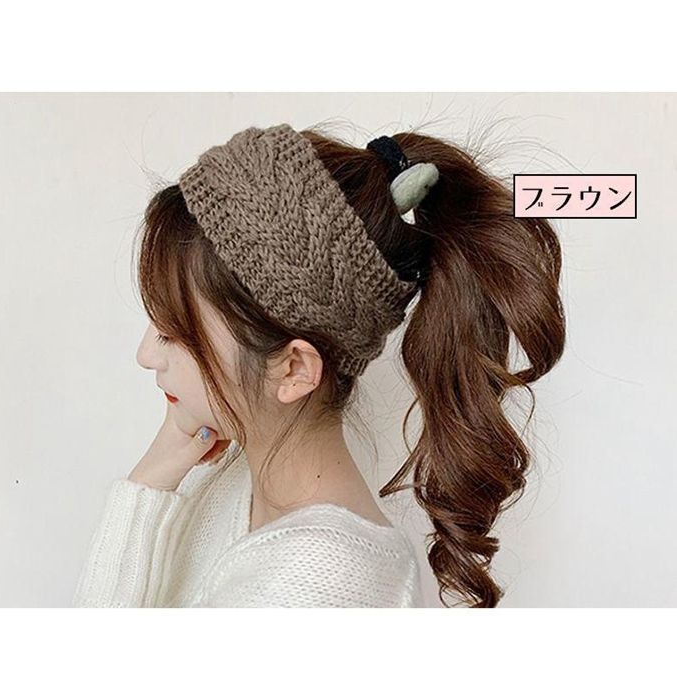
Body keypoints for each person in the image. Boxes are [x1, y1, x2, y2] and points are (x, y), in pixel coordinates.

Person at [72, 121, 565, 608]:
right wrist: (155, 477)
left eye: (175, 332)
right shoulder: (232, 478)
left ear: (293, 370)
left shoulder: (325, 587)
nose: (146, 356)